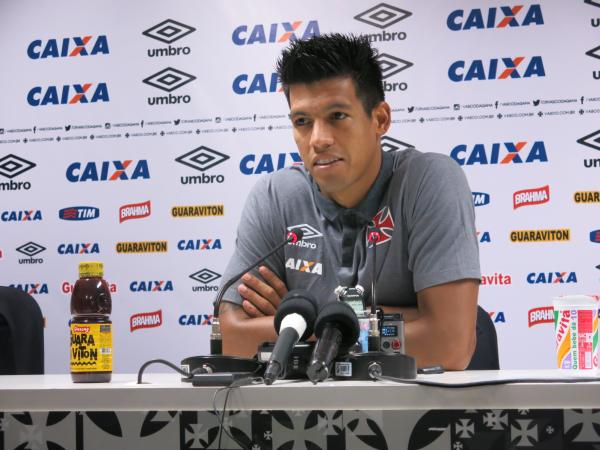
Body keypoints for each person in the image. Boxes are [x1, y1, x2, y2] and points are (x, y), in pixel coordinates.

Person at [219, 34, 480, 370]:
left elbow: (449, 344)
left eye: (337, 115)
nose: (318, 139)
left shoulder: (429, 181)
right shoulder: (274, 196)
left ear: (380, 120)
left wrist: (299, 321)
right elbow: (232, 338)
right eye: (302, 122)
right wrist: (392, 319)